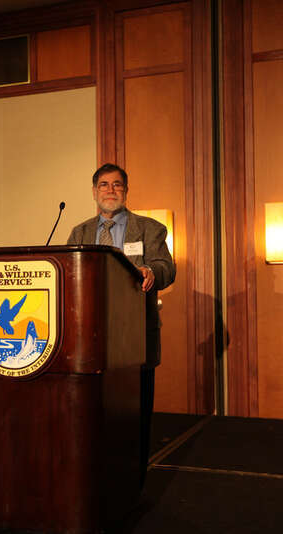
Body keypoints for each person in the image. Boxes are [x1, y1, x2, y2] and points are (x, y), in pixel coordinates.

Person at [67, 163, 175, 486]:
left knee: (134, 421)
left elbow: (167, 267)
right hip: (91, 343)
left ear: (125, 192)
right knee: (94, 421)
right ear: (94, 192)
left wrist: (152, 272)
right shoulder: (80, 232)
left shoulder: (150, 229)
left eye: (116, 185)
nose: (110, 190)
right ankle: (94, 482)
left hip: (134, 340)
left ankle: (134, 486)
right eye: (104, 185)